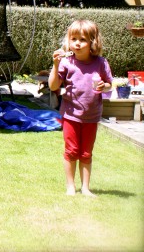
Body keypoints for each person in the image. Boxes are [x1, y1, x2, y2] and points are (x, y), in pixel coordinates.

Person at [48, 20, 112, 197]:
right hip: (71, 115)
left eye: (82, 39)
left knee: (86, 152)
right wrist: (55, 65)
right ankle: (70, 187)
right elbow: (53, 86)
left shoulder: (100, 62)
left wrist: (103, 86)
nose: (77, 43)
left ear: (93, 42)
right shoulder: (66, 62)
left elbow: (109, 85)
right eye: (73, 38)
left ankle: (85, 188)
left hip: (91, 116)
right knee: (71, 151)